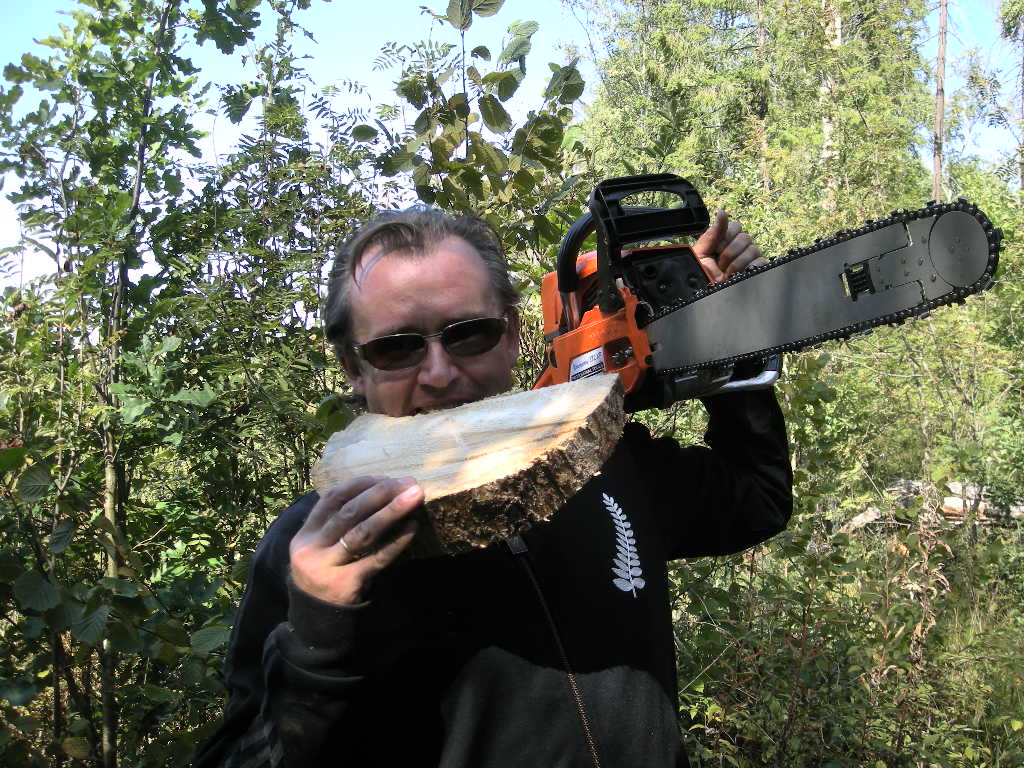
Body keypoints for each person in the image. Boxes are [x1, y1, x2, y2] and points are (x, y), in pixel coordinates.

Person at [194, 207, 792, 768]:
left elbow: (756, 501)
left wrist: (730, 341)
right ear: (355, 367)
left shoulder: (597, 456)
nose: (439, 373)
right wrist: (316, 638)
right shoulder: (316, 546)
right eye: (397, 348)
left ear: (510, 335)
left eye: (468, 334)